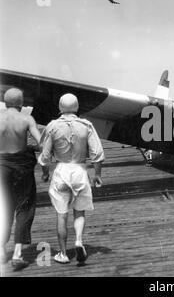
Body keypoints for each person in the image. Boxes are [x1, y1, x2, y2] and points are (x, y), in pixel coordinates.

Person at [38, 93, 105, 264]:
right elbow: (97, 154)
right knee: (79, 211)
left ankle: (63, 253)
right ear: (77, 107)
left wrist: (45, 174)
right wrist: (97, 174)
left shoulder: (52, 126)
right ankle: (78, 241)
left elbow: (44, 158)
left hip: (61, 170)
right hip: (80, 170)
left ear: (60, 108)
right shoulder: (86, 125)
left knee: (62, 215)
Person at [0, 88, 41, 271]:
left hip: (2, 166)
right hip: (22, 168)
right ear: (21, 103)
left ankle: (1, 252)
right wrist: (31, 146)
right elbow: (41, 143)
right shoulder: (27, 119)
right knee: (25, 206)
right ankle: (17, 254)